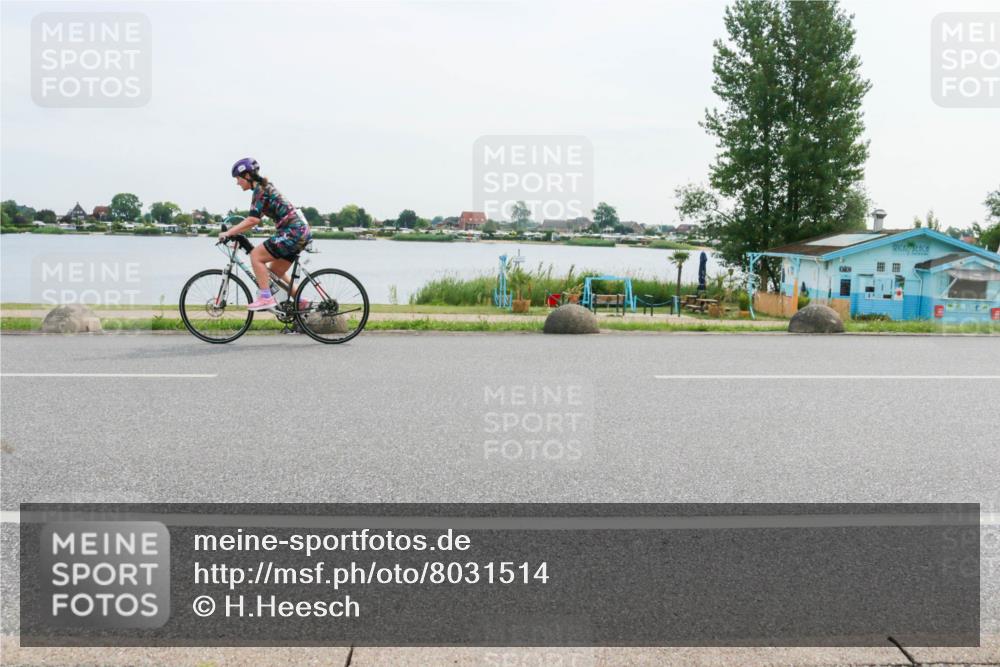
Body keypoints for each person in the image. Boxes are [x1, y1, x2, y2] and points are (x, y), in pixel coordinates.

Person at [219, 158, 312, 310]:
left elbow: (253, 220)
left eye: (238, 179)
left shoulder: (260, 191)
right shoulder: (264, 188)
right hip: (300, 232)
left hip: (292, 232)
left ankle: (266, 298)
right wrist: (237, 231)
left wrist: (228, 233)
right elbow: (255, 218)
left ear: (247, 176)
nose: (237, 183)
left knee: (256, 256)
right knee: (274, 272)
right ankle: (301, 302)